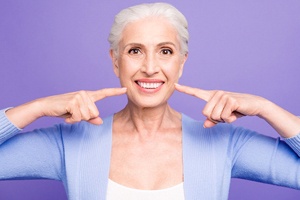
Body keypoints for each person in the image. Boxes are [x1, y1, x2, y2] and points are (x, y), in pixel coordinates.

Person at [0, 2, 300, 200]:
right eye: (135, 51)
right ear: (115, 61)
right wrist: (37, 107)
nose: (150, 67)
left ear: (181, 62)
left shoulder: (223, 143)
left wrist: (265, 107)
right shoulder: (70, 143)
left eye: (165, 51)